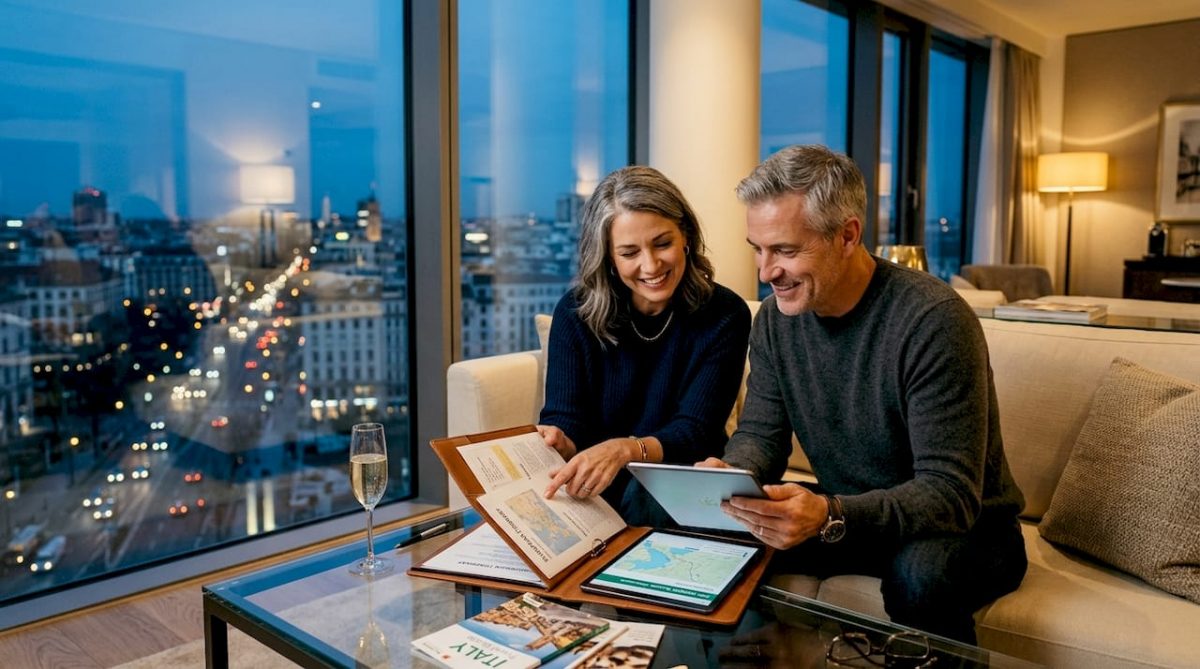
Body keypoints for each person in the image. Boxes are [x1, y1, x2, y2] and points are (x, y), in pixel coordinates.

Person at [705, 145, 1026, 643]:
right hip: (854, 515)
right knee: (719, 538)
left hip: (969, 529)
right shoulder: (774, 322)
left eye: (786, 251)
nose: (766, 272)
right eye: (758, 249)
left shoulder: (933, 320)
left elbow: (950, 494)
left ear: (847, 235)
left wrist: (831, 513)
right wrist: (731, 477)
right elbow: (761, 438)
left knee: (920, 576)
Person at [539, 165, 751, 527]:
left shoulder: (726, 314)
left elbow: (696, 432)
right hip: (595, 489)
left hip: (682, 486)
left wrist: (626, 450)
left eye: (662, 243)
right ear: (607, 256)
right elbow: (565, 417)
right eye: (629, 252)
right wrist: (560, 441)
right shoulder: (575, 313)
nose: (650, 265)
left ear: (685, 234)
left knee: (641, 499)